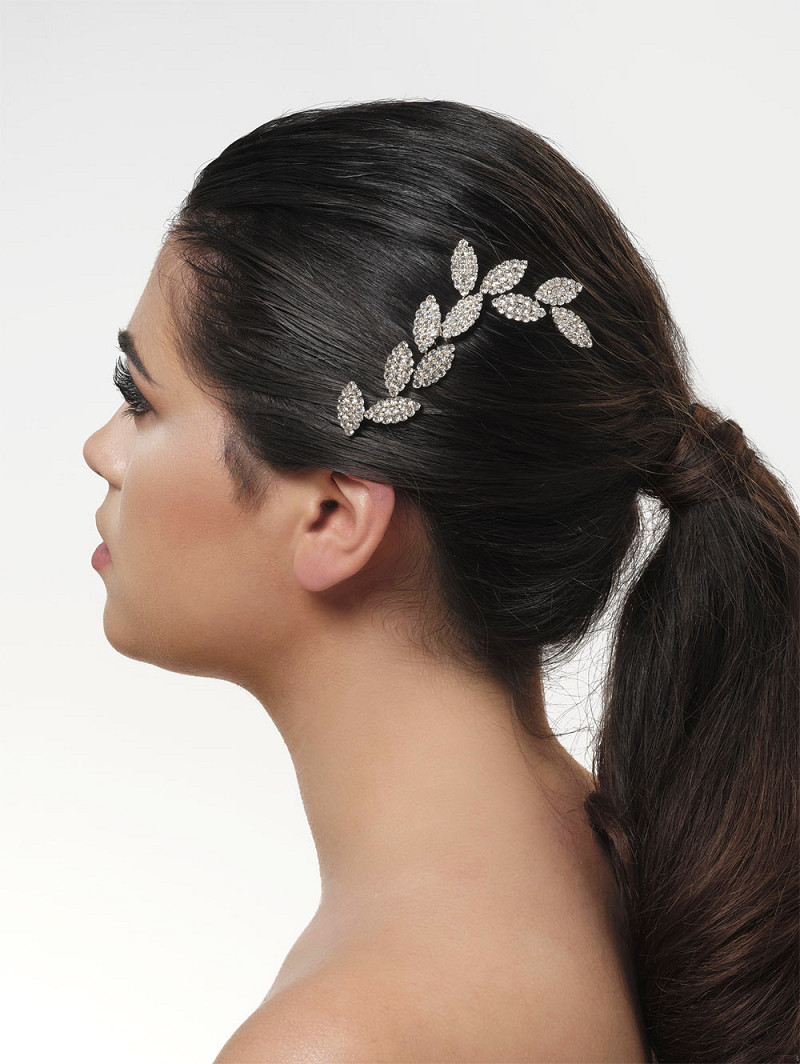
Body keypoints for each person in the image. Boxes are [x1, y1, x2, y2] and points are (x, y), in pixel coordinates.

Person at [82, 99, 798, 1064]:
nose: (100, 451)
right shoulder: (645, 874)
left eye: (139, 399)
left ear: (333, 515)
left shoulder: (343, 1042)